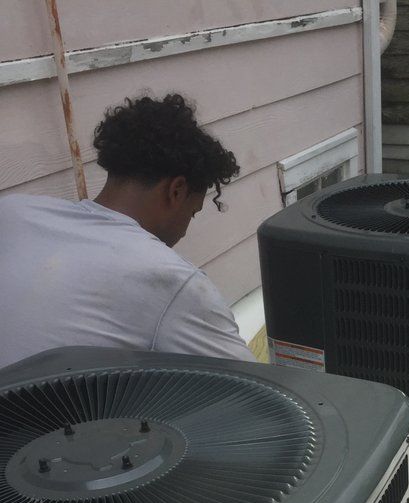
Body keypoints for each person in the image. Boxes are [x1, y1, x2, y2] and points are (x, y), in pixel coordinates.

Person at [0, 93, 256, 370]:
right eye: (191, 213)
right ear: (177, 190)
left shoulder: (13, 212)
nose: (183, 232)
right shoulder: (171, 280)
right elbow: (257, 392)